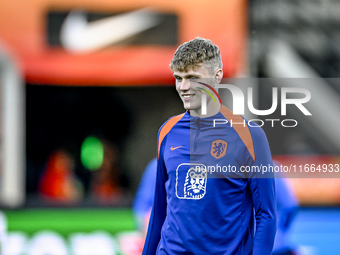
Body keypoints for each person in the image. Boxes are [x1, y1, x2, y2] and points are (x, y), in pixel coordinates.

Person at [142, 37, 276, 255]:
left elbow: (266, 215)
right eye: (179, 78)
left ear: (218, 76)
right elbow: (159, 211)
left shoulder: (249, 135)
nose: (183, 87)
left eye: (193, 78)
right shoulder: (167, 131)